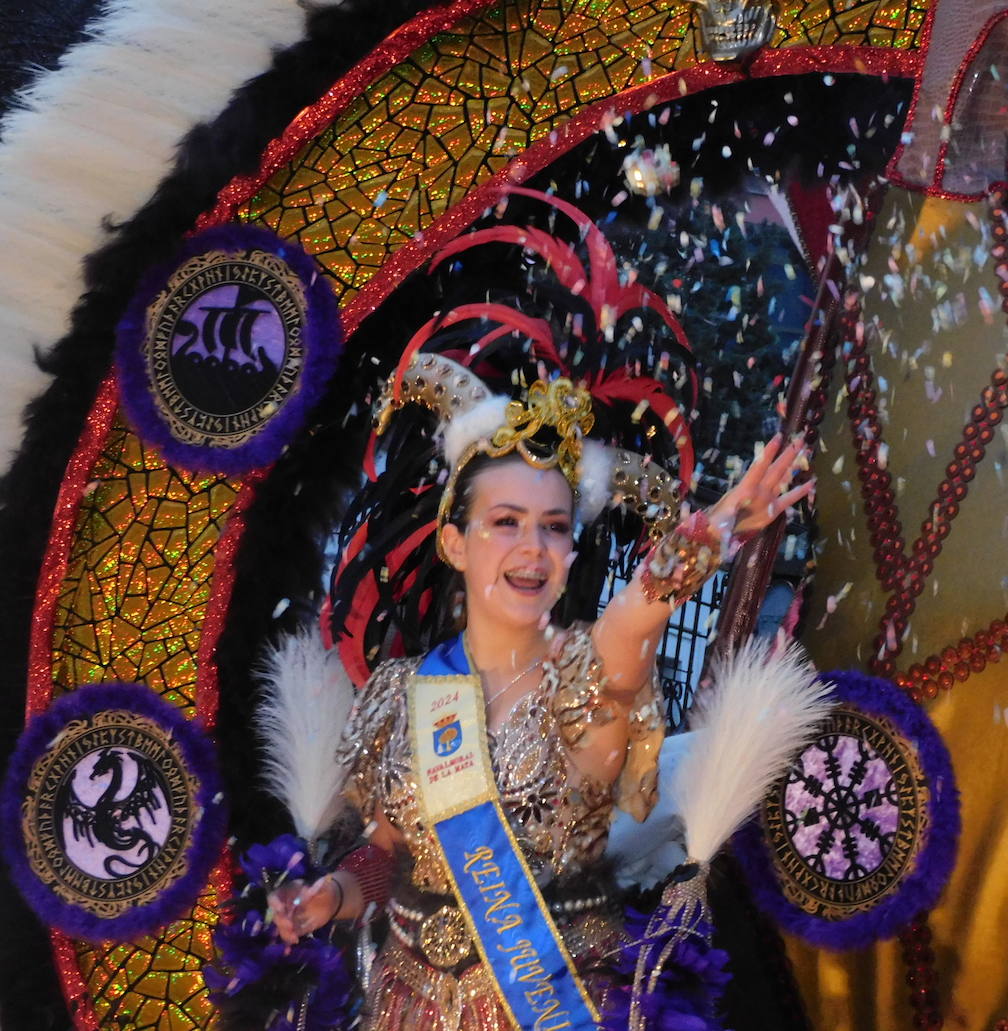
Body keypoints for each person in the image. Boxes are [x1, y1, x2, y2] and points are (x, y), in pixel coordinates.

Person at [266, 360, 812, 1030]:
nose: (533, 547)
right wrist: (333, 893)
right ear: (454, 542)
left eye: (554, 526)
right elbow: (387, 852)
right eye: (506, 521)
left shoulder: (586, 675)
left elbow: (635, 612)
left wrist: (713, 531)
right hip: (405, 1009)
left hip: (551, 1008)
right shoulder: (403, 691)